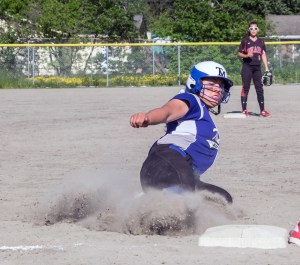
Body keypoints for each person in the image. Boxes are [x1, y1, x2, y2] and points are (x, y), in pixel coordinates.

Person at [130, 61, 233, 203]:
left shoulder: (202, 112)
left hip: (182, 173)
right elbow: (166, 111)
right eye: (212, 84)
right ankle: (149, 205)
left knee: (222, 200)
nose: (217, 89)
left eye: (221, 86)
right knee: (185, 202)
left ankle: (139, 203)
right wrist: (148, 118)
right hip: (166, 162)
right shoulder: (191, 100)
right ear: (194, 83)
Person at [237, 21, 271, 117]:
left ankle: (262, 110)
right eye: (251, 28)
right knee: (246, 87)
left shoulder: (261, 41)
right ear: (249, 30)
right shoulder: (245, 40)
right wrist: (246, 55)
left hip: (257, 68)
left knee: (259, 88)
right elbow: (239, 53)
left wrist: (266, 68)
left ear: (258, 30)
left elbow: (263, 54)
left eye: (255, 28)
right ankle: (244, 110)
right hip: (247, 66)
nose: (253, 30)